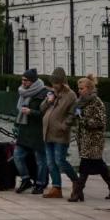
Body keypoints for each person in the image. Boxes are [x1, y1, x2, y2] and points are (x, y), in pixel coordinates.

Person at [72, 75, 110, 201]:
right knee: (99, 165)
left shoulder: (96, 102)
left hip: (94, 140)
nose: (79, 91)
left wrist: (84, 120)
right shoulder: (80, 102)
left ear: (89, 89)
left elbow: (101, 121)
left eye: (81, 88)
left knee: (85, 165)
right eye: (79, 88)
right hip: (84, 139)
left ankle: (77, 192)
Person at [40, 68, 80, 199]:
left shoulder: (70, 95)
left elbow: (73, 113)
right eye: (53, 83)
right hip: (47, 132)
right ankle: (56, 187)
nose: (54, 85)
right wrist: (48, 100)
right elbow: (42, 108)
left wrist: (65, 125)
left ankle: (76, 181)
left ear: (62, 82)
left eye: (56, 83)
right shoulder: (52, 93)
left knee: (60, 161)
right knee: (50, 162)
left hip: (60, 134)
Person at [13, 69, 48, 194]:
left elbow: (47, 114)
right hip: (24, 130)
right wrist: (16, 126)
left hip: (37, 132)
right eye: (22, 80)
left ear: (33, 81)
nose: (23, 82)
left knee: (40, 160)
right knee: (17, 156)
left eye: (25, 80)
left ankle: (40, 183)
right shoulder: (23, 92)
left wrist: (31, 112)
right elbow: (19, 111)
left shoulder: (44, 93)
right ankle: (25, 179)